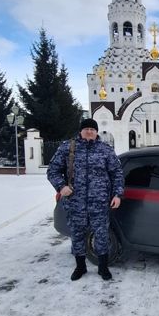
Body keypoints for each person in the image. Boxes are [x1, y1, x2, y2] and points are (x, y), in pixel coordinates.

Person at [47, 118, 124, 281]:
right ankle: (80, 267)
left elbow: (117, 173)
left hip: (100, 201)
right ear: (81, 131)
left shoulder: (105, 150)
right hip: (75, 201)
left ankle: (103, 267)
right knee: (77, 234)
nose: (89, 131)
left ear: (97, 132)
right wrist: (61, 187)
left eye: (92, 129)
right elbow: (52, 170)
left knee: (101, 234)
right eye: (86, 128)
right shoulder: (68, 148)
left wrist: (117, 194)